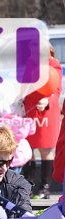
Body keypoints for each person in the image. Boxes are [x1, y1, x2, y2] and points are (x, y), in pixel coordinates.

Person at [22, 47, 63, 199]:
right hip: (30, 110)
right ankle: (28, 185)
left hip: (46, 111)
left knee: (45, 150)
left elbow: (56, 89)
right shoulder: (30, 64)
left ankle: (45, 187)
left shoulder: (54, 65)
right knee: (27, 149)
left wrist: (47, 101)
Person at [0, 101, 35, 174]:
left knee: (7, 173)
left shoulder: (0, 122)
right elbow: (30, 131)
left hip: (5, 151)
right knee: (15, 174)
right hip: (19, 152)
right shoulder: (21, 121)